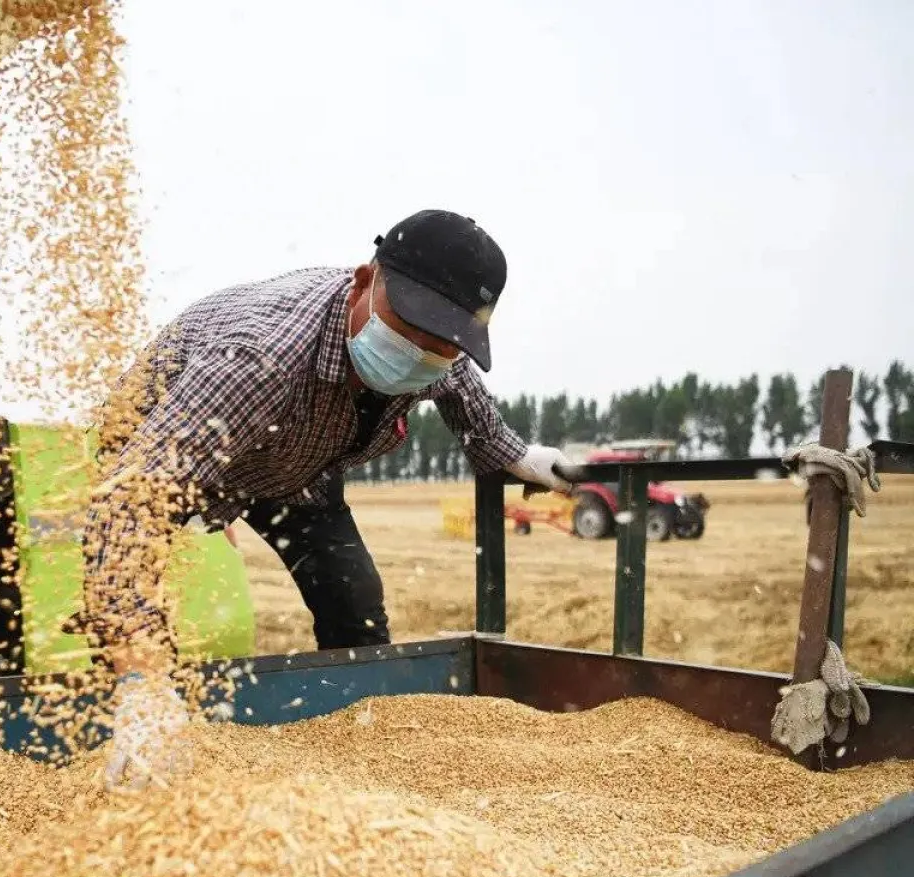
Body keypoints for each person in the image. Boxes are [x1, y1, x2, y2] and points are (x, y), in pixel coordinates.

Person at [77, 209, 583, 787]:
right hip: (179, 449)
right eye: (411, 328)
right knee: (125, 607)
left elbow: (459, 388)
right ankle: (120, 730)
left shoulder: (437, 353)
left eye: (443, 341)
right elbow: (127, 503)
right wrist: (143, 685)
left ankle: (364, 739)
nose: (422, 351)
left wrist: (516, 456)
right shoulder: (256, 357)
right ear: (364, 283)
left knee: (354, 595)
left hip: (295, 464)